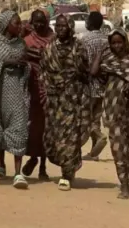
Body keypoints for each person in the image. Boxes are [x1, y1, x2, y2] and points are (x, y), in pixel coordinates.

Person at [90, 29, 129, 199]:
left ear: (125, 42)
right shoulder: (107, 61)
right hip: (113, 108)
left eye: (119, 42)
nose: (117, 46)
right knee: (117, 145)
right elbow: (93, 73)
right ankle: (123, 183)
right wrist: (101, 52)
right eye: (113, 43)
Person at [0, 10, 30, 189]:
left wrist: (24, 66)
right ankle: (1, 165)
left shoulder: (21, 44)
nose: (20, 26)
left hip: (16, 90)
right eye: (16, 23)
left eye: (20, 23)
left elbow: (26, 64)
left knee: (19, 127)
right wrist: (5, 64)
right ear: (6, 24)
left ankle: (18, 173)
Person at [40, 14, 88, 191]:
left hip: (72, 99)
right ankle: (65, 166)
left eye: (63, 26)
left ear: (70, 27)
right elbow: (43, 71)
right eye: (58, 26)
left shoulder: (79, 47)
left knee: (70, 136)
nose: (60, 29)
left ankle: (67, 173)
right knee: (53, 136)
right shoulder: (49, 48)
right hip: (54, 100)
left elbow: (85, 72)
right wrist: (47, 88)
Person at [22, 10, 55, 180]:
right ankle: (33, 158)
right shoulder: (27, 40)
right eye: (36, 22)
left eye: (42, 22)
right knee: (33, 129)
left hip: (49, 90)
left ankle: (43, 165)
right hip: (31, 90)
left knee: (47, 129)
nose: (39, 25)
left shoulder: (53, 39)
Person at [79, 11, 109, 161]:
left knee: (85, 118)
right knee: (96, 117)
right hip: (104, 86)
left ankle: (99, 136)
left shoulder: (84, 40)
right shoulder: (107, 40)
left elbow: (82, 62)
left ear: (89, 23)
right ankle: (93, 153)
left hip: (88, 85)